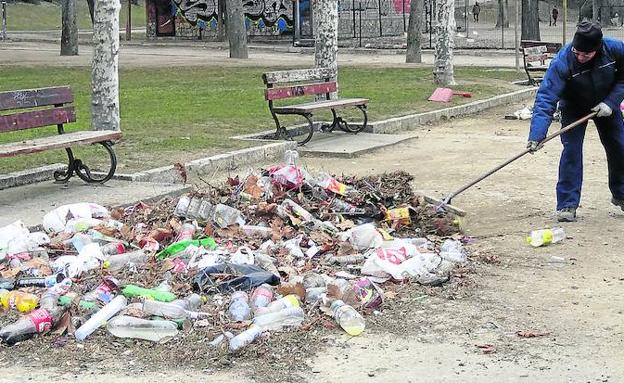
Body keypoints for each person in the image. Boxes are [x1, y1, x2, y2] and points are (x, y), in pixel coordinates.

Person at [527, 21, 624, 222]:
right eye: (577, 52)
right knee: (571, 150)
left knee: (619, 146)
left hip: (606, 105)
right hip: (573, 106)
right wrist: (536, 135)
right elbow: (546, 97)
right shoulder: (563, 61)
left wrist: (611, 102)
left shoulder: (614, 49)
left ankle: (621, 194)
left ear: (598, 48)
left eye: (586, 55)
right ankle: (567, 205)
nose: (580, 57)